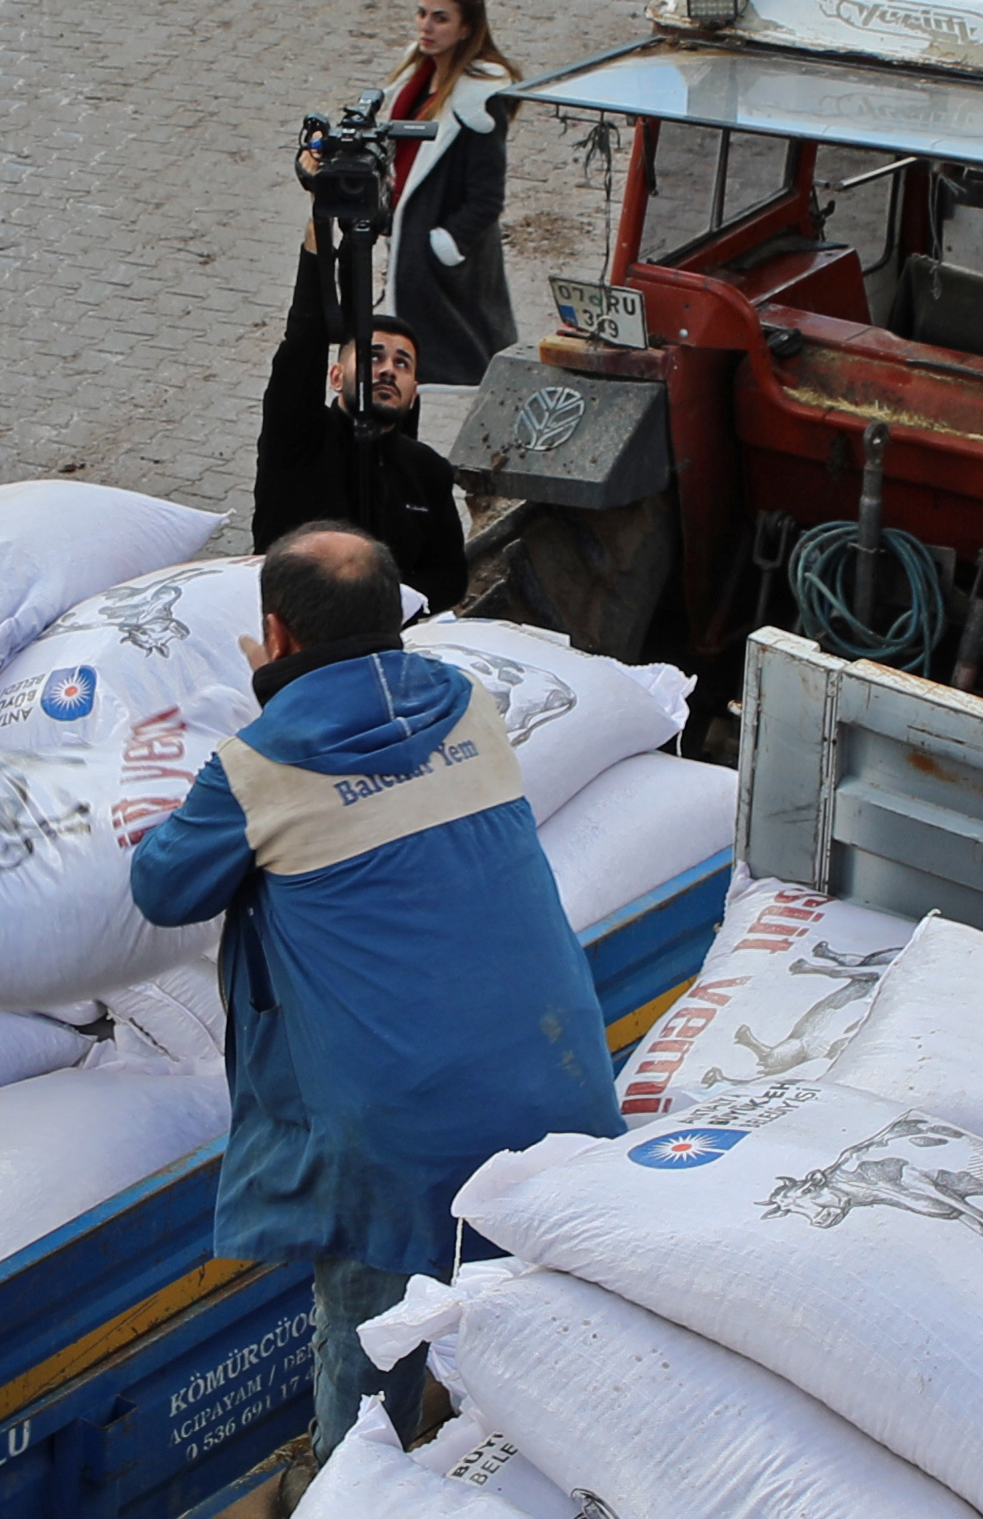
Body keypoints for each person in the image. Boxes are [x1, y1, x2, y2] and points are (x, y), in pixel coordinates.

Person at [124, 523, 617, 1438]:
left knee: (366, 1320)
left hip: (402, 1134)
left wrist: (263, 717)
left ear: (275, 636)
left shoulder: (259, 766)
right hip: (562, 1081)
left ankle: (344, 1484)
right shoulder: (468, 704)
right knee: (532, 1300)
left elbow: (162, 886)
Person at [249, 248, 466, 610]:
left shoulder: (428, 471)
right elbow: (303, 342)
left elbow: (448, 578)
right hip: (294, 621)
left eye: (402, 363)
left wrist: (384, 606)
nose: (387, 370)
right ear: (335, 377)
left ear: (413, 394)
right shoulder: (300, 437)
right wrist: (318, 235)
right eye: (373, 356)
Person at [375, 0, 519, 388]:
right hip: (407, 249)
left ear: (466, 29)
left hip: (441, 268)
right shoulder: (416, 81)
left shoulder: (478, 102)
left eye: (440, 18)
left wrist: (446, 244)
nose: (426, 26)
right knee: (402, 369)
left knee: (428, 369)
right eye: (422, 14)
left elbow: (487, 197)